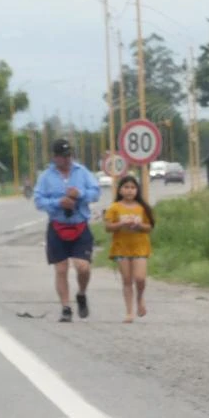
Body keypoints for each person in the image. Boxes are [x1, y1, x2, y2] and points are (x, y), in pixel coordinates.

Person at [34, 138, 101, 323]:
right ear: (55, 157)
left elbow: (96, 192)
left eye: (69, 155)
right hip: (57, 225)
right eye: (63, 156)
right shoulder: (46, 177)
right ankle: (65, 307)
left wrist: (80, 194)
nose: (67, 159)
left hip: (80, 224)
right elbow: (38, 201)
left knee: (83, 266)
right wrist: (58, 202)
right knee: (61, 268)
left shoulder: (82, 172)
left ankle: (81, 293)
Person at [104, 174, 154, 323]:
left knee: (140, 278)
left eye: (133, 187)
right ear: (120, 190)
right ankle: (129, 311)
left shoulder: (143, 208)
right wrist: (121, 225)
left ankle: (140, 298)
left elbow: (149, 227)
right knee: (127, 280)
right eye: (126, 187)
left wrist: (139, 226)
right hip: (121, 248)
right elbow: (107, 227)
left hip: (140, 247)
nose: (130, 191)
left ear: (137, 190)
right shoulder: (114, 208)